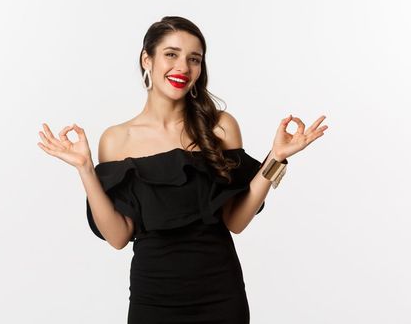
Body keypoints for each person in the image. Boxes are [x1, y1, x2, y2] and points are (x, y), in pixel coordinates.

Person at [36, 16, 328, 323]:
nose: (183, 68)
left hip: (220, 293)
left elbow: (236, 221)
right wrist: (85, 168)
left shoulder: (220, 127)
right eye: (171, 54)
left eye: (194, 59)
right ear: (147, 60)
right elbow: (118, 237)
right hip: (154, 297)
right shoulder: (116, 139)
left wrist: (277, 157)